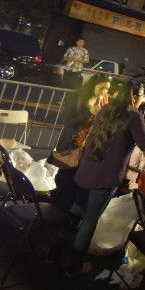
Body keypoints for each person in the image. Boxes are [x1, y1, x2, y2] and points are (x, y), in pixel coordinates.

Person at [64, 80, 145, 276]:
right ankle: (74, 265)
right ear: (135, 96)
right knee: (89, 221)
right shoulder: (134, 116)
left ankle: (56, 252)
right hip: (106, 178)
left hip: (86, 171)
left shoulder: (106, 110)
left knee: (76, 211)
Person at [49, 76, 111, 211]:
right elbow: (67, 121)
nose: (104, 92)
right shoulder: (77, 98)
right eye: (102, 88)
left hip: (86, 149)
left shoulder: (103, 102)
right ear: (93, 85)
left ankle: (63, 216)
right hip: (71, 146)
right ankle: (52, 212)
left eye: (107, 89)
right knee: (64, 182)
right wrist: (89, 113)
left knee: (76, 185)